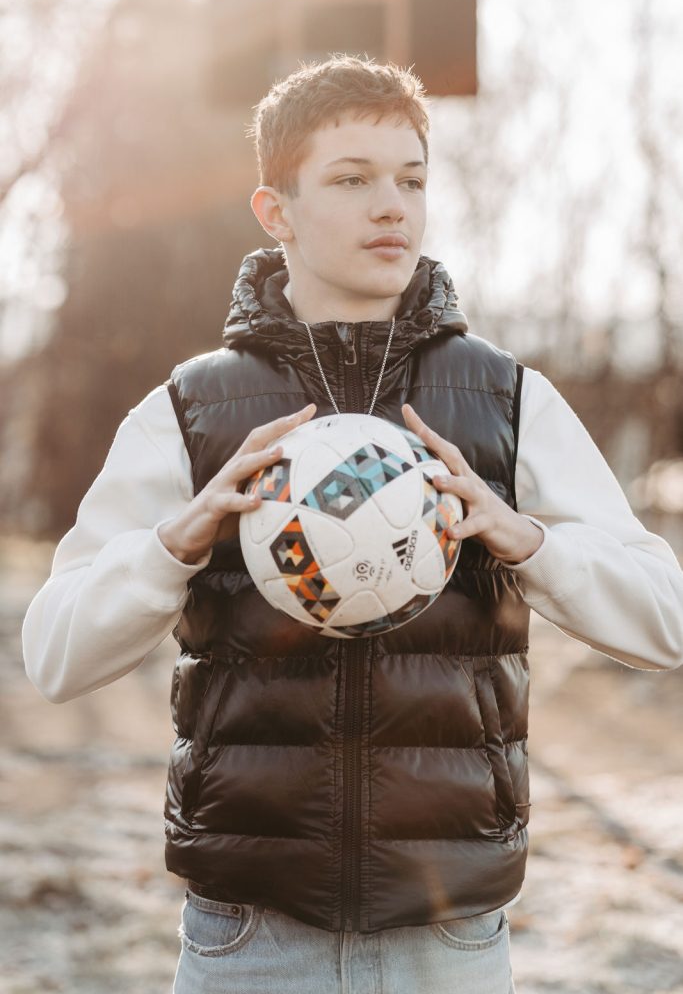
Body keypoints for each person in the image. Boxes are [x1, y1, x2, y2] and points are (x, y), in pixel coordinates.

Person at [22, 55, 683, 994]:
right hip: (247, 935)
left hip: (447, 936)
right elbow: (54, 658)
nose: (392, 206)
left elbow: (665, 623)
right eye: (352, 179)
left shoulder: (503, 398)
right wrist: (171, 548)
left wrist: (525, 542)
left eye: (411, 179)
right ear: (275, 211)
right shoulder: (191, 412)